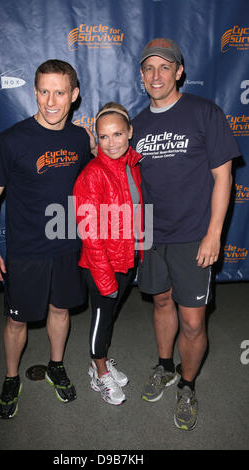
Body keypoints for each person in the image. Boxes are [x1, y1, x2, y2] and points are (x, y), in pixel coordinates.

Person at [131, 38, 240, 430]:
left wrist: (214, 234)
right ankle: (165, 366)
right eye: (148, 68)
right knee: (160, 302)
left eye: (164, 67)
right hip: (150, 235)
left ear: (179, 72)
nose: (156, 75)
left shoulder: (204, 112)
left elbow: (223, 176)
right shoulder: (137, 125)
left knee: (193, 322)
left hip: (194, 235)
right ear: (141, 75)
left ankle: (188, 385)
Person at [0, 59, 91, 418]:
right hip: (26, 250)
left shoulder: (80, 139)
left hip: (68, 245)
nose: (51, 101)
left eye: (60, 92)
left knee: (60, 309)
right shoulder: (12, 140)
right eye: (44, 91)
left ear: (74, 95)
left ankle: (56, 365)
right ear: (35, 92)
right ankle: (12, 377)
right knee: (17, 320)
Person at [73, 102, 143, 405]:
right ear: (96, 140)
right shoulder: (92, 175)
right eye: (103, 137)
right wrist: (105, 277)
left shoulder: (132, 165)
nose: (111, 143)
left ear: (129, 133)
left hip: (126, 258)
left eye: (117, 134)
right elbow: (90, 235)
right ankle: (98, 369)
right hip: (101, 263)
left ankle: (100, 362)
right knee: (102, 317)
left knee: (110, 315)